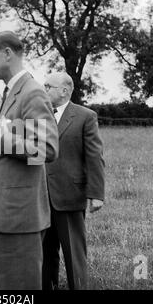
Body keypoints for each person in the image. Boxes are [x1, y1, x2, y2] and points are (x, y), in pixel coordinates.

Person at [0, 31, 59, 290]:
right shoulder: (9, 92)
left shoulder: (32, 92)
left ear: (8, 53)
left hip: (19, 220)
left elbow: (47, 150)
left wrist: (5, 142)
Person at [42, 72, 105, 290]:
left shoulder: (85, 116)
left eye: (48, 86)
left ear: (65, 91)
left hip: (70, 195)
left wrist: (96, 194)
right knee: (44, 253)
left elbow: (94, 157)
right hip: (40, 197)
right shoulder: (39, 115)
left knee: (74, 255)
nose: (44, 89)